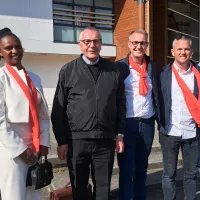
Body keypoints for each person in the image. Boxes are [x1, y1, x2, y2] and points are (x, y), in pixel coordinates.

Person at [51, 26, 126, 200]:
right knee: (78, 189)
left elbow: (121, 104)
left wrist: (120, 133)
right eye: (87, 41)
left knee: (103, 190)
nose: (92, 45)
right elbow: (58, 109)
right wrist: (62, 141)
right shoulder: (68, 70)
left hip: (105, 141)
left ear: (101, 44)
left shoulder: (114, 70)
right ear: (80, 45)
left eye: (96, 41)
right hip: (77, 142)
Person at [0, 28, 50, 200]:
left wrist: (44, 144)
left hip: (34, 149)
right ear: (1, 52)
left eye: (17, 46)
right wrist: (20, 150)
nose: (14, 51)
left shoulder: (35, 79)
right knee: (14, 196)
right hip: (11, 153)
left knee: (34, 195)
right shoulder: (1, 78)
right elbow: (0, 121)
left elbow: (43, 115)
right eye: (8, 48)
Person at [117, 29, 159, 200]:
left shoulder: (152, 67)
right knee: (126, 169)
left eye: (142, 43)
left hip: (148, 123)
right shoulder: (119, 67)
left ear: (147, 45)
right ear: (129, 44)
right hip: (127, 124)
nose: (138, 46)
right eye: (135, 43)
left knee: (142, 168)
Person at [159, 35, 200, 200]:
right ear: (172, 52)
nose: (183, 52)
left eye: (186, 49)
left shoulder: (198, 73)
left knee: (191, 174)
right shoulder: (162, 73)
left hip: (193, 133)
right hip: (170, 132)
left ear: (191, 52)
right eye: (179, 49)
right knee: (169, 175)